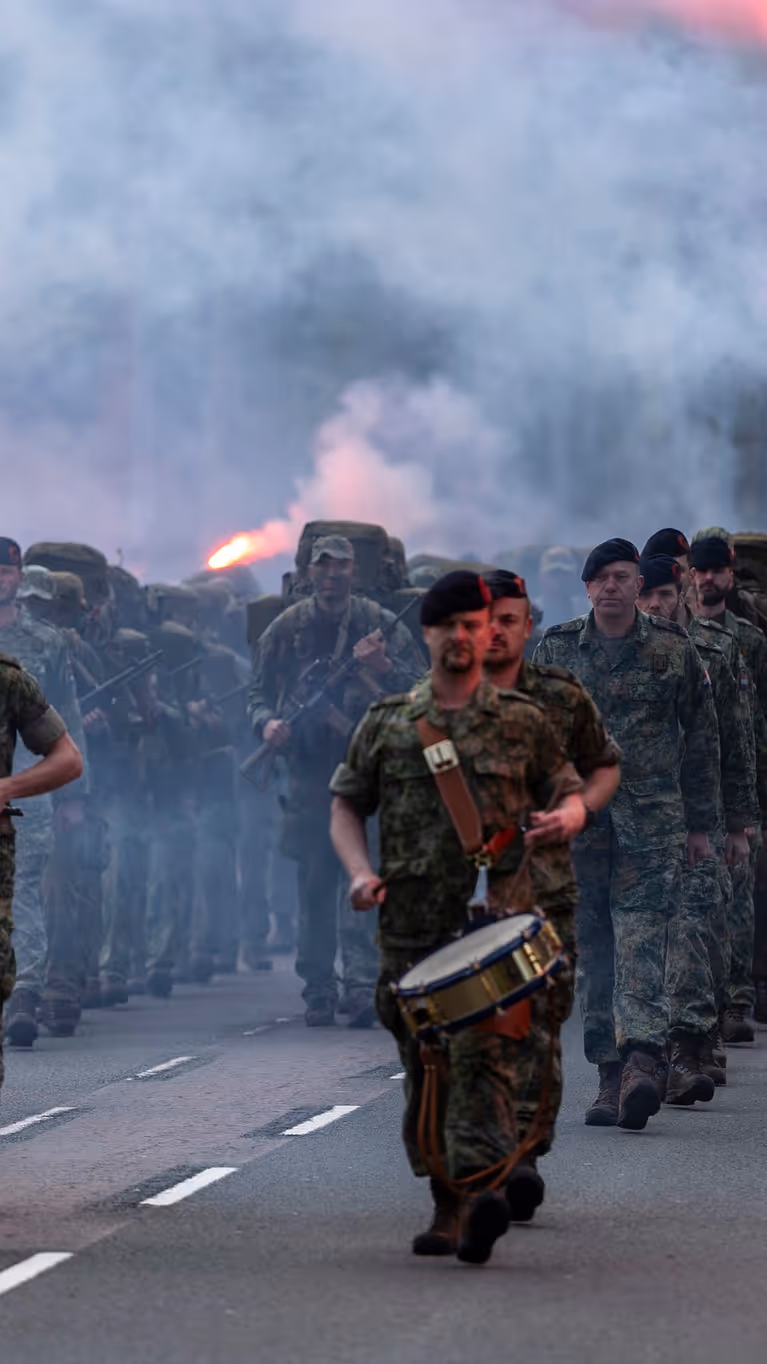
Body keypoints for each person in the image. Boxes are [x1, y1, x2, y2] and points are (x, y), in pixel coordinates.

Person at [330, 570, 586, 1265]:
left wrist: (566, 816)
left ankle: (476, 1196)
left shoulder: (521, 723)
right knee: (425, 1068)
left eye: (474, 626)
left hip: (495, 926)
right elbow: (347, 804)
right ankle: (448, 1193)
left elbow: (569, 788)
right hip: (411, 930)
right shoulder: (388, 725)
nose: (464, 639)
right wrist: (359, 871)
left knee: (488, 1057)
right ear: (429, 635)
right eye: (450, 628)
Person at [534, 539, 720, 1131]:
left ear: (639, 586)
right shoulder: (557, 650)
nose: (611, 587)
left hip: (652, 823)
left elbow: (704, 739)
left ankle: (642, 1059)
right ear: (587, 589)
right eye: (601, 579)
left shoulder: (672, 648)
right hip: (581, 827)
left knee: (642, 937)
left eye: (622, 577)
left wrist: (704, 824)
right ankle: (609, 1075)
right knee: (595, 950)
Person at [249, 534, 423, 1028]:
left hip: (368, 770)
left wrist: (381, 665)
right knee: (314, 883)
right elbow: (257, 692)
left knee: (364, 878)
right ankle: (319, 987)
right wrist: (266, 725)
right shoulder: (288, 628)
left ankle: (361, 984)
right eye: (323, 567)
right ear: (308, 572)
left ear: (353, 572)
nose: (331, 575)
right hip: (309, 776)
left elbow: (422, 687)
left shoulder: (373, 622)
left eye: (341, 567)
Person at [638, 554, 756, 1096]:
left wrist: (740, 824)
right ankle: (668, 1053)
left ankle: (696, 1042)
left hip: (700, 817)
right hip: (643, 819)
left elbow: (736, 741)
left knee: (702, 930)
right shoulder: (629, 652)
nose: (656, 605)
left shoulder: (718, 649)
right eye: (648, 595)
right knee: (654, 938)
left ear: (684, 590)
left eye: (664, 594)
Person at [0, 536, 88, 1047]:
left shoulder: (47, 642)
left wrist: (75, 794)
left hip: (30, 787)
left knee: (25, 889)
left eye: (7, 573)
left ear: (19, 579)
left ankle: (25, 993)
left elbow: (69, 721)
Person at [689, 530, 767, 1044]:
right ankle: (708, 1003)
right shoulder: (679, 637)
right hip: (696, 788)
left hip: (746, 782)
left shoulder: (751, 641)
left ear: (730, 576)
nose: (710, 578)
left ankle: (738, 998)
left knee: (740, 894)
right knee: (703, 898)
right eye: (702, 570)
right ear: (691, 576)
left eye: (718, 570)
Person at [0, 649, 83, 1083]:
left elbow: (69, 757)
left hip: (9, 836)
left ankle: (27, 993)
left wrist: (9, 786)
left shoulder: (11, 678)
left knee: (24, 905)